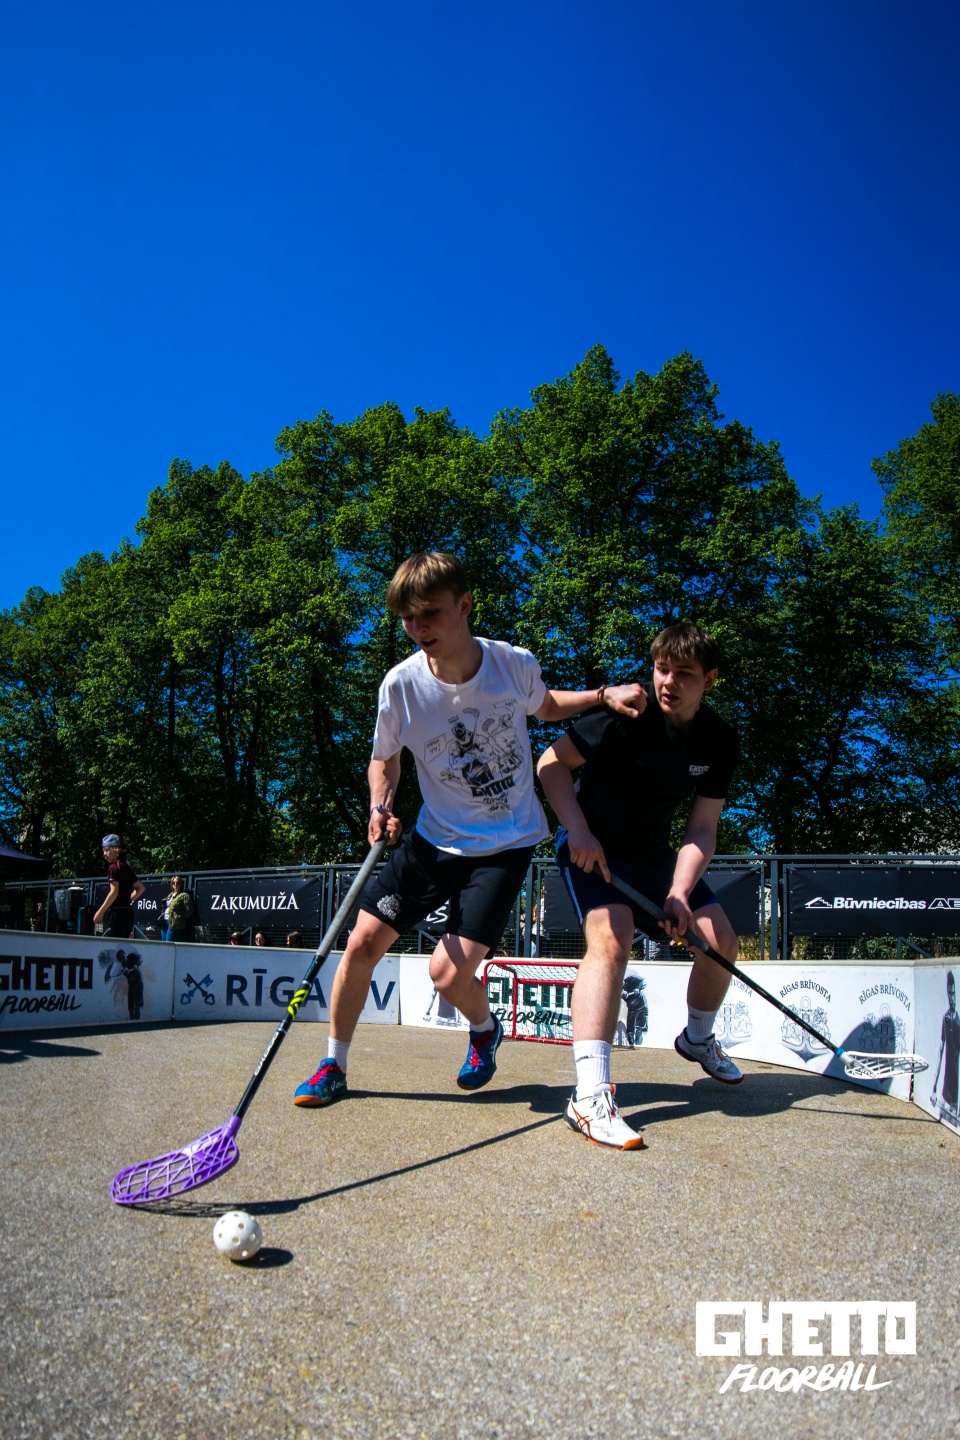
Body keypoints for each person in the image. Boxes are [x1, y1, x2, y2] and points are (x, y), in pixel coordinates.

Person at [293, 550, 644, 1108]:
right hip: (433, 840)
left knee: (447, 975)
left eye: (429, 613)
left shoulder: (511, 664)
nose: (417, 628)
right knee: (359, 943)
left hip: (505, 845)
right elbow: (384, 759)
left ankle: (484, 1030)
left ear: (464, 605)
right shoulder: (400, 687)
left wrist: (603, 695)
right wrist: (379, 803)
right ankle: (333, 1064)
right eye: (407, 618)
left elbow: (546, 705)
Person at [536, 622, 741, 1151]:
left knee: (720, 943)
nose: (668, 682)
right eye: (662, 669)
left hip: (653, 858)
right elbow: (551, 763)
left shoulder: (719, 740)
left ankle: (697, 1039)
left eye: (684, 673)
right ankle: (589, 1096)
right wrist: (577, 830)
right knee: (613, 937)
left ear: (710, 679)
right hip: (592, 848)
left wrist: (679, 891)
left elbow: (702, 829)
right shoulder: (625, 712)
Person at [93, 835, 145, 940]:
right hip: (128, 914)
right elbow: (141, 888)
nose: (104, 854)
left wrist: (101, 911)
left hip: (116, 914)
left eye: (107, 850)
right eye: (104, 851)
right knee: (123, 945)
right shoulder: (125, 866)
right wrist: (127, 899)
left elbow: (114, 892)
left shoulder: (113, 868)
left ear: (115, 850)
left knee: (114, 945)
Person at [930, 970, 960, 1127]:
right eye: (950, 994)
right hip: (944, 1091)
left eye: (953, 994)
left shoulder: (958, 1022)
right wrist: (934, 1088)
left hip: (955, 1095)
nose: (952, 998)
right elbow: (940, 1053)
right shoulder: (946, 1018)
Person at [161, 874, 194, 941]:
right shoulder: (170, 895)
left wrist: (179, 918)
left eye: (177, 883)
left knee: (168, 942)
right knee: (163, 943)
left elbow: (189, 910)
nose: (175, 884)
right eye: (173, 883)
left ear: (181, 884)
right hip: (165, 921)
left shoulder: (184, 895)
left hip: (174, 924)